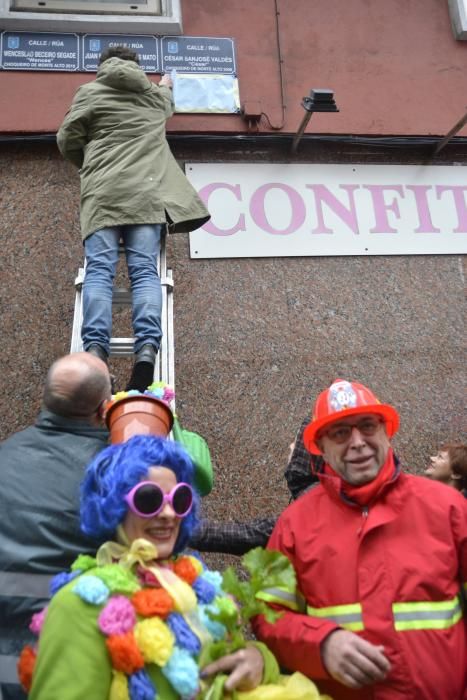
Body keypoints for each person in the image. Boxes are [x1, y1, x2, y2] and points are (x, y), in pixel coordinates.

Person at [253, 378, 467, 699]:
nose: (357, 442)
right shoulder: (293, 526)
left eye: (367, 426)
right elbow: (267, 616)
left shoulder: (448, 509)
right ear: (321, 448)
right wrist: (321, 644)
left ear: (386, 432)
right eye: (340, 432)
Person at [22, 436, 280, 699]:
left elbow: (239, 656)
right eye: (149, 499)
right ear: (114, 506)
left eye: (179, 499)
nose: (169, 513)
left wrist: (259, 659)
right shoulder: (78, 604)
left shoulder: (200, 585)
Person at [56, 45, 210, 391]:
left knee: (99, 271)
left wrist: (90, 167)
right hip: (146, 195)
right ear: (137, 66)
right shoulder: (154, 97)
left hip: (102, 195)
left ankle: (95, 351)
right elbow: (167, 101)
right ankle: (146, 353)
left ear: (103, 65)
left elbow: (67, 138)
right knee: (144, 272)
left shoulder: (90, 92)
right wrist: (166, 83)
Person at [0, 353, 112, 700]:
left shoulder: (6, 455)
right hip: (62, 663)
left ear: (44, 399)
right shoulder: (109, 476)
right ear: (103, 409)